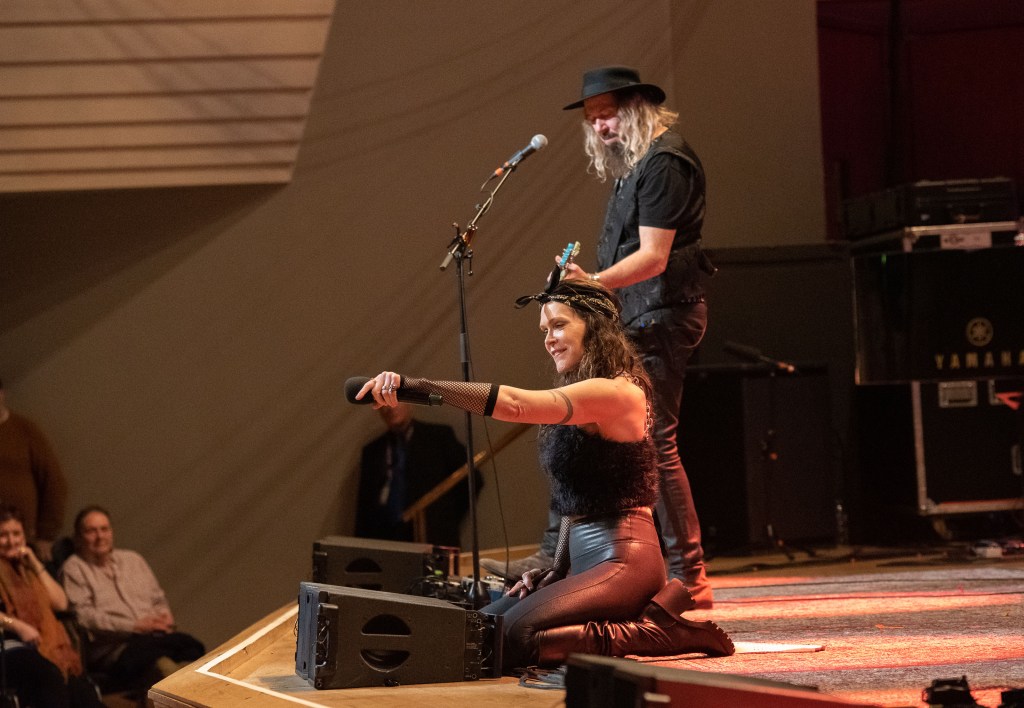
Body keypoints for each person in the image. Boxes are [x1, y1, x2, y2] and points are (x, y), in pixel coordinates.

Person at [355, 279, 732, 672]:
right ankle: (644, 623)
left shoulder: (619, 392)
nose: (549, 339)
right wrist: (556, 569)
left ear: (594, 326)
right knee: (481, 632)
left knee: (514, 638)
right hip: (585, 563)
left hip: (625, 562)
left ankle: (655, 631)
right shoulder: (585, 396)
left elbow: (516, 405)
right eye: (544, 330)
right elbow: (574, 499)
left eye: (558, 325)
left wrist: (416, 388)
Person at [481, 66, 717, 608]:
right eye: (592, 119)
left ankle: (690, 578)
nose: (600, 127)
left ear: (636, 109)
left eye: (607, 115)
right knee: (580, 424)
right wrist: (587, 285)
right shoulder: (635, 166)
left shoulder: (665, 163)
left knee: (655, 441)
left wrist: (591, 283)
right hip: (638, 316)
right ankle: (556, 557)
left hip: (662, 315)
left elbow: (654, 257)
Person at [60, 505, 205, 693]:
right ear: (79, 537)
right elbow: (85, 617)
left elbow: (158, 598)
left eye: (104, 529)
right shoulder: (74, 568)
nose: (100, 536)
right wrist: (135, 626)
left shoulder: (133, 560)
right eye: (91, 531)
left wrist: (164, 616)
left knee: (196, 654)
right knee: (164, 668)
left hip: (157, 638)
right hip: (117, 648)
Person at [0, 503, 103, 708]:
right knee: (49, 676)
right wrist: (17, 626)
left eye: (17, 534)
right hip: (8, 644)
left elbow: (61, 603)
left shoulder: (27, 565)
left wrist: (34, 562)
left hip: (44, 643)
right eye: (3, 535)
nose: (12, 541)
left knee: (80, 690)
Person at [355, 402, 476, 548]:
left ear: (410, 403)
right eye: (382, 403)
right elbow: (364, 508)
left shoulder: (438, 438)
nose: (389, 408)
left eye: (395, 399)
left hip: (432, 538)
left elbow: (472, 480)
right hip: (385, 541)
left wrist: (443, 518)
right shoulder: (372, 451)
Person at [0, 376, 69, 564]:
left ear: (2, 394)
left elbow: (54, 482)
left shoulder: (25, 430)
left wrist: (46, 535)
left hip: (25, 540)